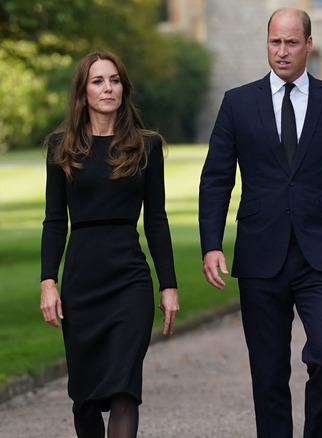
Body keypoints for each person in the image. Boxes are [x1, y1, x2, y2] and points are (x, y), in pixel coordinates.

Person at [198, 7, 322, 438]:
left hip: (320, 254)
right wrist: (211, 243)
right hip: (260, 255)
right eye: (275, 42)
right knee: (268, 372)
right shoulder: (238, 103)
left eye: (291, 42)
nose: (282, 51)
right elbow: (216, 179)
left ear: (308, 45)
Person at [39, 50, 179, 438]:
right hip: (82, 282)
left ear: (124, 88)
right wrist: (48, 281)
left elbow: (156, 220)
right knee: (84, 402)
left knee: (123, 392)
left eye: (114, 80)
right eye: (98, 81)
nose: (108, 88)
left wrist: (168, 285)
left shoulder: (146, 146)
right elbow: (54, 221)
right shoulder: (60, 148)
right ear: (83, 92)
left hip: (129, 280)